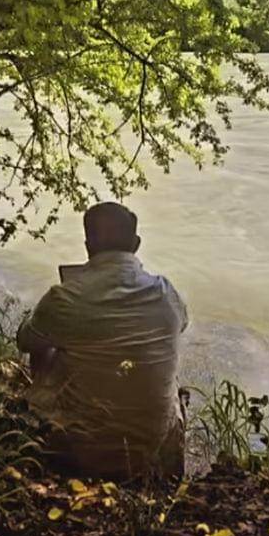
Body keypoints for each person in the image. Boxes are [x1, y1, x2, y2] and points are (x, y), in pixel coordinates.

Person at [17, 202, 189, 479]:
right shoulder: (166, 293)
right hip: (150, 451)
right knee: (161, 357)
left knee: (47, 344)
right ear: (136, 244)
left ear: (88, 246)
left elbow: (25, 341)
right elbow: (182, 325)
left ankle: (45, 415)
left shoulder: (64, 297)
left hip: (79, 450)